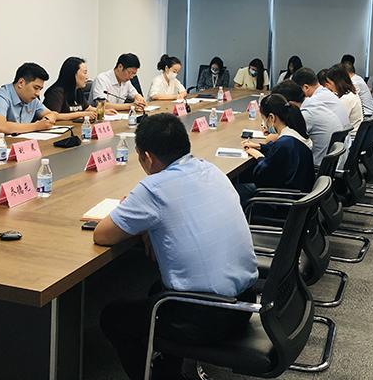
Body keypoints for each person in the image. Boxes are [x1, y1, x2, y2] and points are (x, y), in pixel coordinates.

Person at [95, 113, 258, 380]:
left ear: (147, 157)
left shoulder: (154, 188)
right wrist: (147, 223)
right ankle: (170, 371)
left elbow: (103, 235)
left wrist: (140, 216)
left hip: (205, 317)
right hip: (245, 303)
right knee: (155, 290)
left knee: (114, 317)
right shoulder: (210, 169)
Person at [238, 94, 314, 203]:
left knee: (236, 189)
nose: (264, 125)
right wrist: (260, 146)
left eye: (264, 120)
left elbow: (262, 176)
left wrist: (258, 155)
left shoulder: (284, 143)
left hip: (283, 201)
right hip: (298, 194)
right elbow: (279, 152)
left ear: (272, 118)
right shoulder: (294, 134)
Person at [0, 63, 58, 137]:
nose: (38, 93)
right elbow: (1, 127)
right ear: (21, 83)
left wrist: (47, 119)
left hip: (14, 142)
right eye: (36, 88)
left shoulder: (32, 99)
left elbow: (51, 114)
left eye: (40, 89)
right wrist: (37, 126)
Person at [292, 68, 350, 166]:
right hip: (339, 152)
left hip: (329, 160)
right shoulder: (325, 93)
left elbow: (295, 131)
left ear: (305, 87)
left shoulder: (313, 101)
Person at [43, 57, 100, 121]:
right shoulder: (56, 92)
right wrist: (82, 114)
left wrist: (102, 111)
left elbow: (88, 108)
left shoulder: (78, 90)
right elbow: (54, 115)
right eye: (85, 73)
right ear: (73, 74)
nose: (87, 77)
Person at [323, 65, 363, 131]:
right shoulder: (351, 93)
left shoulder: (346, 99)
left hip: (349, 135)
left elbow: (336, 122)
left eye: (329, 83)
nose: (328, 86)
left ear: (337, 82)